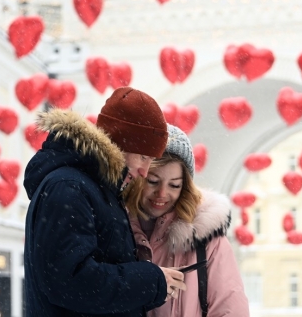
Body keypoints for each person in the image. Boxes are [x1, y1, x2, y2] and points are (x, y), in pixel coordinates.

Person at [23, 87, 187, 316]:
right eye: (143, 157)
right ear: (120, 143)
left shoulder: (94, 189)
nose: (144, 171)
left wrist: (152, 284)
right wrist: (150, 281)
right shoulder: (69, 188)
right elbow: (71, 282)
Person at [124, 125, 250, 317]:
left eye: (174, 185)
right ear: (139, 176)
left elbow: (230, 309)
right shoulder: (115, 228)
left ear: (185, 187)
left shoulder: (206, 238)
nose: (162, 194)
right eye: (153, 181)